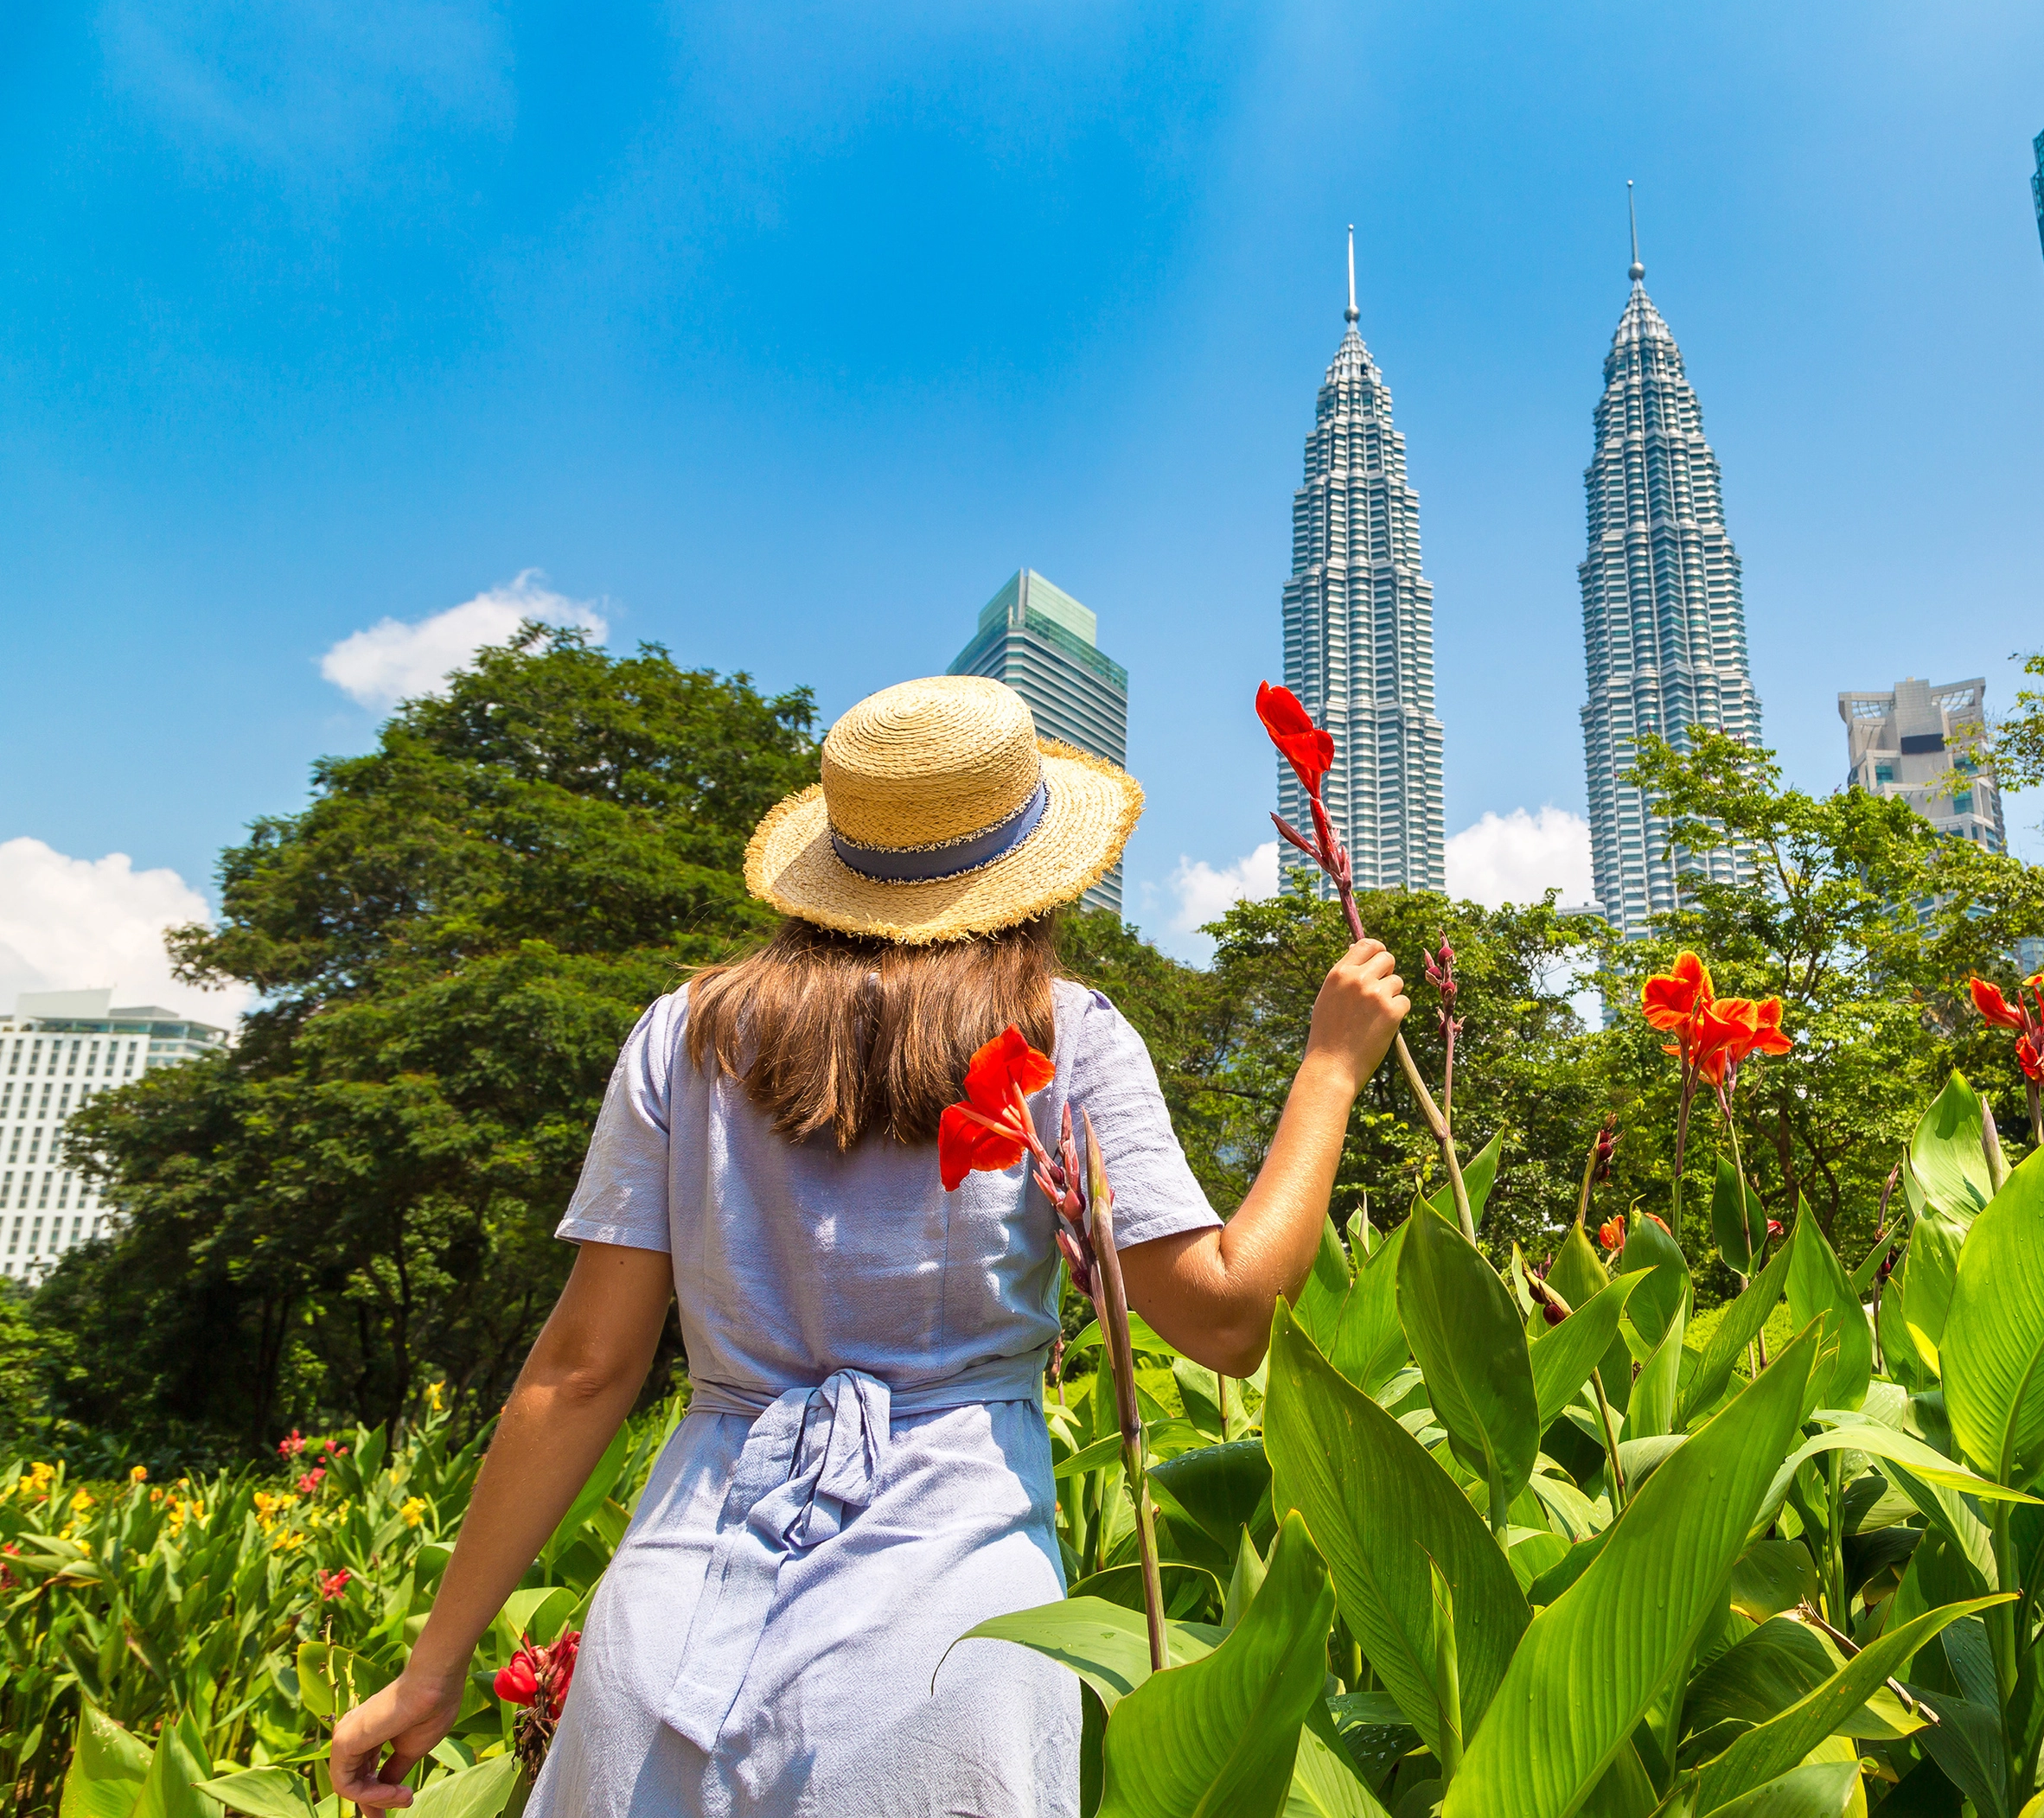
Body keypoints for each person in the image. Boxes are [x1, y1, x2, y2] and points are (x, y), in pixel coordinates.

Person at [328, 675, 1408, 1816]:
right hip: (945, 1644)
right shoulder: (1064, 1037)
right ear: (1032, 869)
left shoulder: (683, 1037)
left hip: (677, 1624)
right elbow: (1228, 1317)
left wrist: (432, 1666)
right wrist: (1331, 1069)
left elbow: (582, 1369)